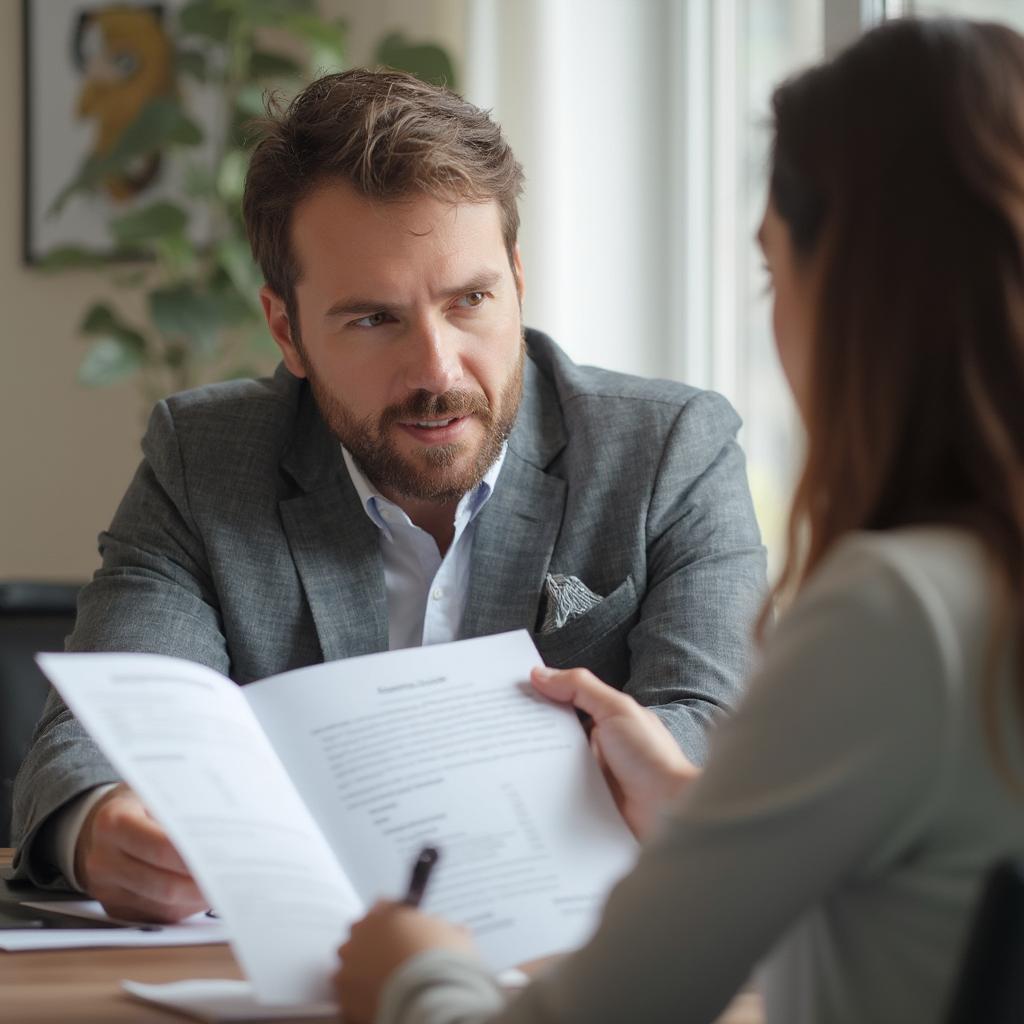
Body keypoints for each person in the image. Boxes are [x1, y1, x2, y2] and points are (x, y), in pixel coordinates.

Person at [334, 18, 1024, 1024]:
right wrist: (701, 817)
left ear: (850, 288)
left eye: (769, 269)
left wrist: (409, 971)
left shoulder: (897, 611)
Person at [11, 70, 766, 922]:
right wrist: (101, 823)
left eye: (470, 300)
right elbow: (86, 740)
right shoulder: (206, 459)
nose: (437, 373)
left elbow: (717, 731)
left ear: (518, 280)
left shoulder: (669, 450)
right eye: (373, 319)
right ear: (286, 329)